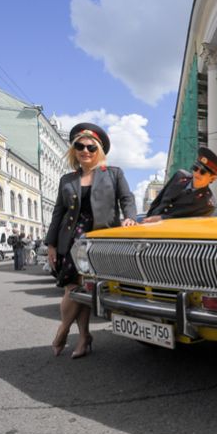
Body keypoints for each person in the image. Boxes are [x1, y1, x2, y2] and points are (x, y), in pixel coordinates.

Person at [46, 123, 137, 359]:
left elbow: (127, 198)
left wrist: (129, 217)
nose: (85, 150)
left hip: (98, 239)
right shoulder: (67, 179)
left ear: (99, 150)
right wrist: (51, 244)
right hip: (70, 239)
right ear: (74, 150)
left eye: (90, 146)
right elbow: (58, 212)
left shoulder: (113, 173)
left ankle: (63, 332)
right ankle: (83, 336)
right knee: (74, 288)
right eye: (79, 145)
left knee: (82, 287)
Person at [143, 147, 217, 222]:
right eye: (195, 168)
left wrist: (162, 218)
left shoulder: (207, 204)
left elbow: (190, 223)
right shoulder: (179, 175)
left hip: (170, 235)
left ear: (213, 178)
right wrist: (147, 218)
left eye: (203, 172)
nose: (197, 173)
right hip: (150, 227)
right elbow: (158, 200)